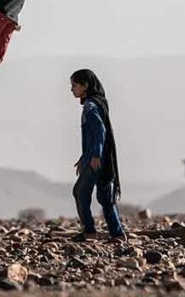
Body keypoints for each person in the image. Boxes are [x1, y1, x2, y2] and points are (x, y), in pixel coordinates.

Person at [69, 68, 126, 243]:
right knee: (105, 198)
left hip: (96, 159)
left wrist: (94, 156)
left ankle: (89, 231)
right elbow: (94, 135)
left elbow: (100, 131)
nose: (72, 89)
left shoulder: (90, 105)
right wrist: (83, 157)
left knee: (79, 192)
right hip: (102, 157)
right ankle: (117, 234)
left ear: (85, 86)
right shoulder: (98, 102)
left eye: (74, 85)